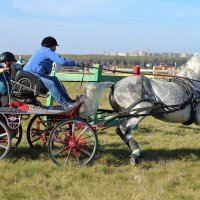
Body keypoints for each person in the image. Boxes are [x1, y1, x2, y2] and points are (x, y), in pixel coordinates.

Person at [23, 36, 83, 109]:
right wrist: (77, 63)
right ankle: (65, 104)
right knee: (51, 83)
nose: (55, 49)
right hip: (31, 75)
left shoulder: (39, 50)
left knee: (54, 79)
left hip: (31, 74)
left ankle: (69, 101)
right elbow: (62, 61)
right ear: (52, 46)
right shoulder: (47, 52)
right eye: (55, 46)